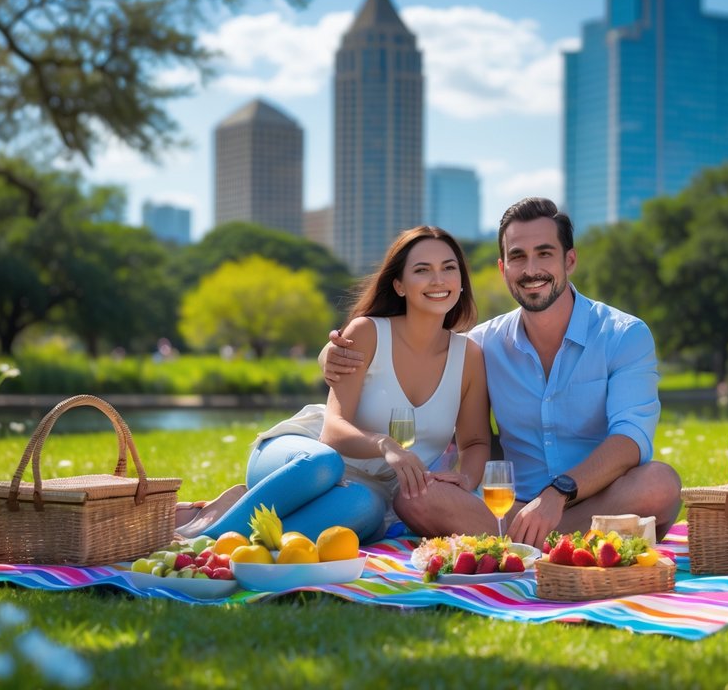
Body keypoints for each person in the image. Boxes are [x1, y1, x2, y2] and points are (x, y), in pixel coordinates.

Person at [324, 198, 681, 549]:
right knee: (415, 497)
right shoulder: (483, 345)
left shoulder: (624, 334)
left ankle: (532, 543)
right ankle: (563, 542)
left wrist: (559, 494)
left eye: (544, 253)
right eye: (518, 257)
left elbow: (630, 440)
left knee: (660, 483)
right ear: (502, 267)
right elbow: (425, 357)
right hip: (511, 509)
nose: (531, 270)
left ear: (569, 260)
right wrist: (333, 354)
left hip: (601, 499)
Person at [178, 226, 490, 545]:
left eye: (448, 268)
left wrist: (467, 477)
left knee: (365, 512)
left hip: (368, 490)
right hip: (301, 460)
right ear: (399, 285)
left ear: (462, 281)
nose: (438, 280)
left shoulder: (469, 357)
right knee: (324, 464)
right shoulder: (366, 332)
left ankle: (238, 525)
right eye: (422, 270)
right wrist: (385, 445)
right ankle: (201, 543)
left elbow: (476, 440)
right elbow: (333, 431)